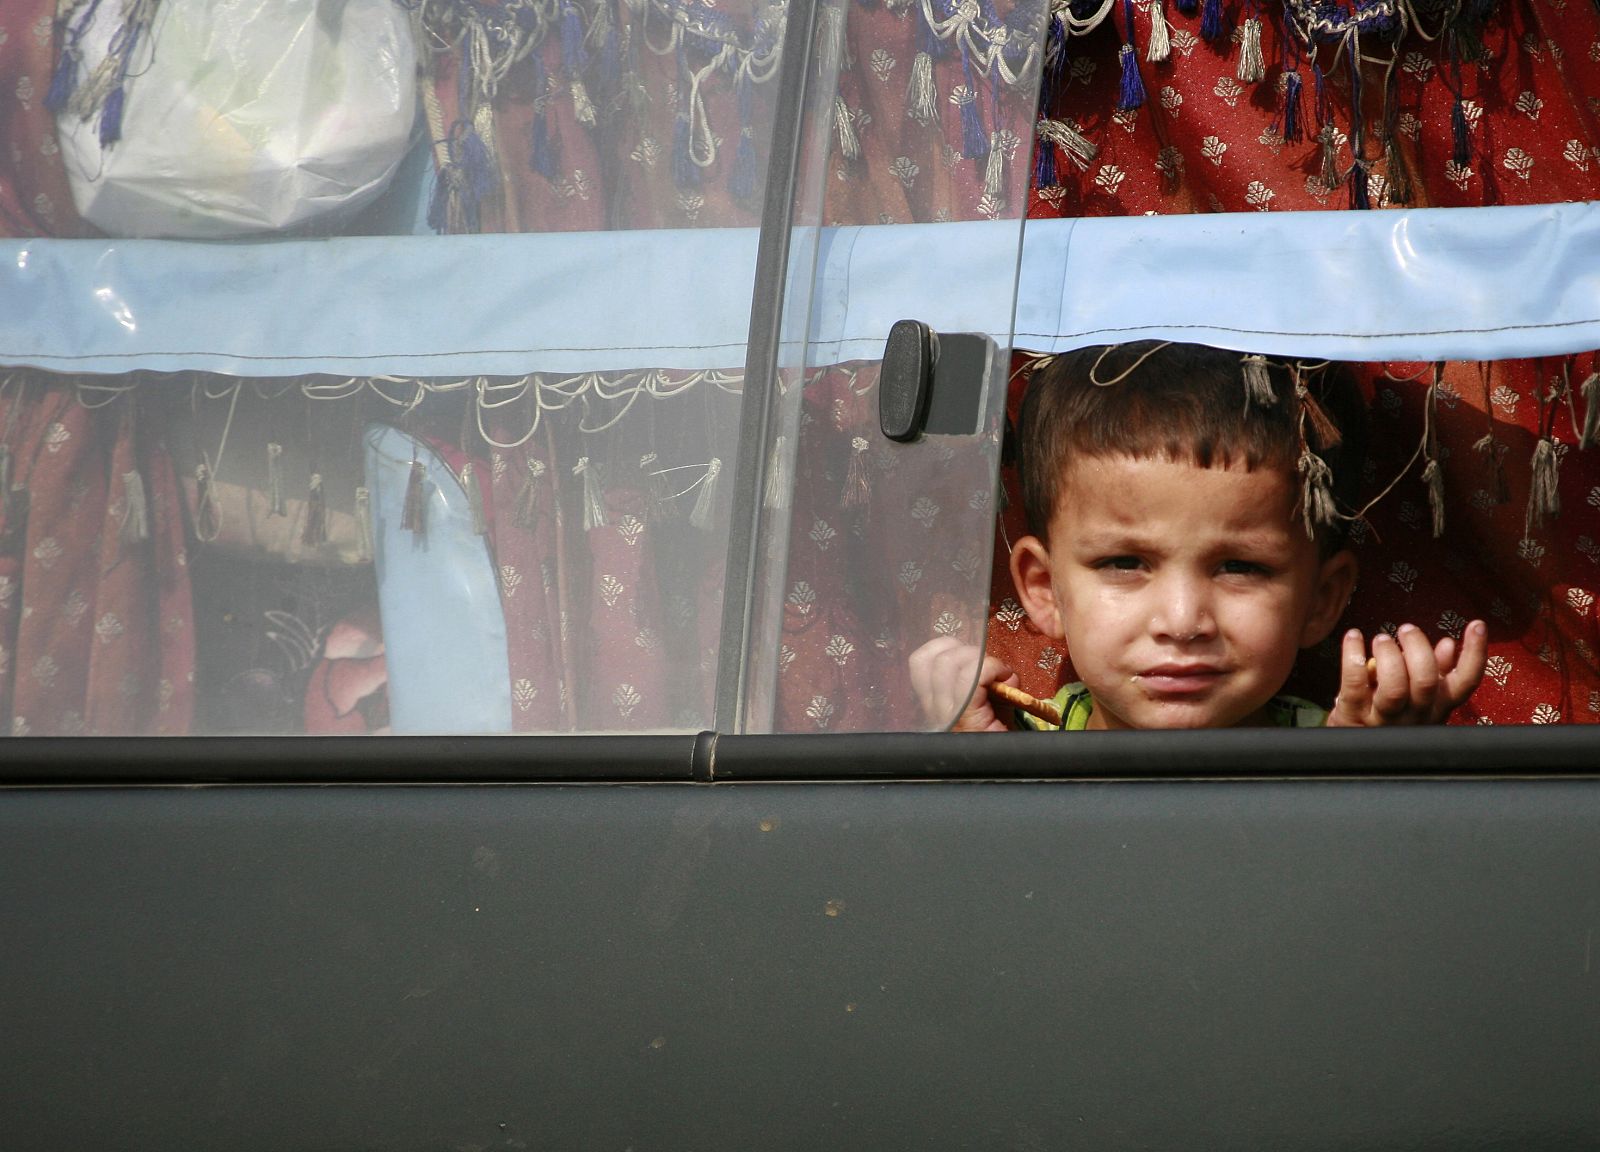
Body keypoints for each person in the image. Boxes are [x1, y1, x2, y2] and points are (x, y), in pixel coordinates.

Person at [910, 341, 1488, 731]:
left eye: (1241, 567)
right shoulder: (1013, 746)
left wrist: (1368, 772)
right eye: (1124, 562)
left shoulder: (1343, 741)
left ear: (1321, 598)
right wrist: (964, 764)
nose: (1183, 622)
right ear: (1043, 589)